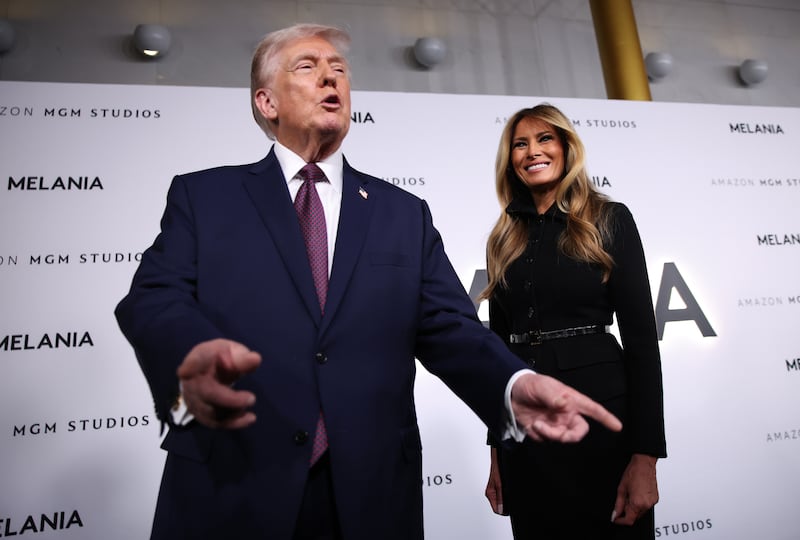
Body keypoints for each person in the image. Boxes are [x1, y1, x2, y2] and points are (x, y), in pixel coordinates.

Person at [115, 25, 622, 540]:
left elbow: (451, 328)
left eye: (339, 69)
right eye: (308, 67)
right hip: (233, 482)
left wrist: (511, 383)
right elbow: (153, 299)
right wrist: (189, 355)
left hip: (370, 492)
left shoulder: (403, 214)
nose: (330, 77)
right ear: (266, 102)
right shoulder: (204, 198)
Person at [481, 103, 667, 539]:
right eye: (520, 144)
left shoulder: (609, 219)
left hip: (602, 424)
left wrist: (646, 457)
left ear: (566, 148)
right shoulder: (503, 238)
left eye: (545, 139)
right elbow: (496, 358)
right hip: (527, 435)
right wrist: (497, 453)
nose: (533, 151)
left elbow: (642, 343)